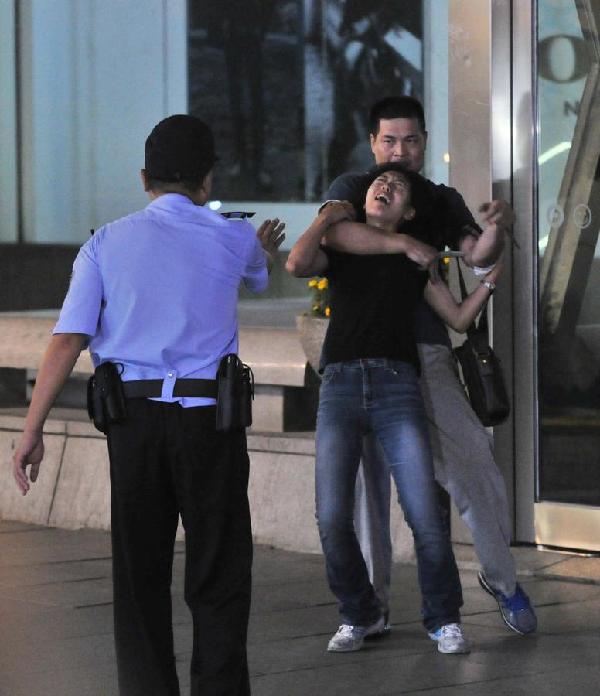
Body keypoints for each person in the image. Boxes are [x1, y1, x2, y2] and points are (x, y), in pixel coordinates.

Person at [12, 114, 284, 696]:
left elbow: (67, 339)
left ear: (144, 178)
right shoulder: (233, 238)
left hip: (132, 424)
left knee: (139, 575)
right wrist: (256, 247)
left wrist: (32, 429)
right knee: (219, 572)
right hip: (209, 421)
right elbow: (258, 277)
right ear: (209, 181)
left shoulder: (104, 243)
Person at [324, 96, 537, 636]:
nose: (400, 151)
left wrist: (499, 226)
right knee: (367, 491)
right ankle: (371, 609)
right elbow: (331, 237)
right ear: (373, 143)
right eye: (389, 140)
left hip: (424, 355)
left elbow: (477, 252)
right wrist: (399, 242)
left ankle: (503, 581)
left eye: (411, 140)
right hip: (359, 358)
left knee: (474, 469)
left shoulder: (438, 199)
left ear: (424, 141)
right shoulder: (355, 187)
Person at [287, 163, 470, 655]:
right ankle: (360, 612)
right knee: (330, 515)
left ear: (408, 211)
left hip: (396, 384)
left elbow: (455, 316)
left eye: (396, 187)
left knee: (424, 512)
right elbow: (296, 263)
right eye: (377, 184)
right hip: (341, 384)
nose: (383, 186)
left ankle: (443, 618)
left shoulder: (415, 260)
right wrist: (327, 217)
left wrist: (489, 283)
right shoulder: (341, 246)